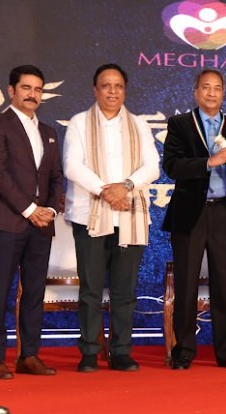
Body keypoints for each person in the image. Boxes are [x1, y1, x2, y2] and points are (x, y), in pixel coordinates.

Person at [63, 63, 160, 373]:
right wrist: (107, 192)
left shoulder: (139, 124)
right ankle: (90, 352)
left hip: (130, 217)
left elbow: (152, 167)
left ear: (125, 91)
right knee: (90, 291)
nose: (113, 91)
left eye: (118, 86)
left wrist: (126, 187)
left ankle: (120, 352)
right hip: (89, 217)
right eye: (106, 85)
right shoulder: (79, 122)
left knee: (124, 292)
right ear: (95, 90)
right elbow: (72, 166)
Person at [160, 69, 226, 370]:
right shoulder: (180, 124)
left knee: (224, 284)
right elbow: (172, 166)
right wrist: (210, 162)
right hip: (190, 213)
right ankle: (183, 351)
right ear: (196, 92)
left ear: (224, 93)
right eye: (206, 88)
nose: (212, 93)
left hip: (223, 211)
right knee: (186, 283)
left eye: (217, 88)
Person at [0, 65, 63, 379]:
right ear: (12, 90)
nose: (32, 94)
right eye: (26, 88)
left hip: (42, 225)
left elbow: (56, 178)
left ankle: (29, 355)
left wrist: (50, 210)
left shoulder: (49, 132)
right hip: (8, 221)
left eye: (38, 89)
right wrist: (30, 209)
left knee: (34, 292)